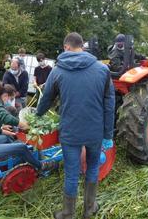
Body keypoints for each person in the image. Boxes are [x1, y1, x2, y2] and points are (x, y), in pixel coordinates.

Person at [36, 32, 115, 219]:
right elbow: (109, 104)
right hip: (95, 131)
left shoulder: (57, 71)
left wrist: (37, 115)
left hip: (70, 132)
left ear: (66, 47)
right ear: (83, 46)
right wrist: (108, 134)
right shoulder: (102, 70)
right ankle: (89, 209)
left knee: (71, 173)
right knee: (93, 167)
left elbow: (46, 99)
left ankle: (67, 213)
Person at [0, 84, 56, 171]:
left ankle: (17, 154)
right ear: (5, 96)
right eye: (11, 98)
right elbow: (7, 118)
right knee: (22, 147)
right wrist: (27, 127)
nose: (11, 101)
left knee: (6, 137)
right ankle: (41, 166)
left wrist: (2, 131)